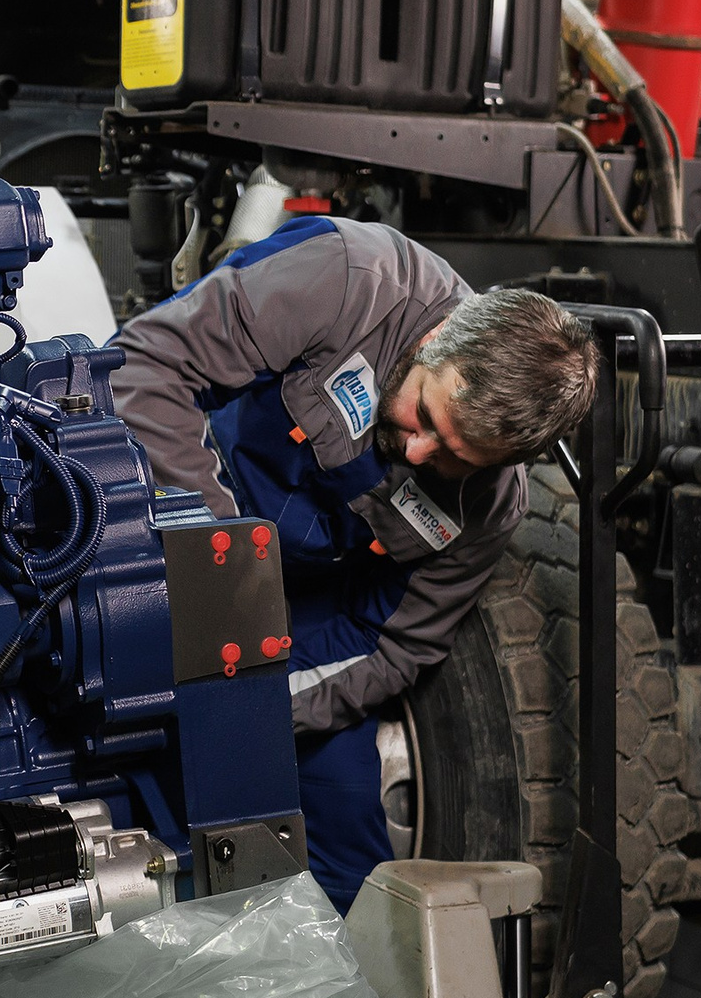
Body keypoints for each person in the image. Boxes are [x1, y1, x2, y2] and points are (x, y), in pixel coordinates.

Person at [110, 212, 597, 912]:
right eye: (427, 415)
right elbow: (147, 367)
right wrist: (221, 565)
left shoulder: (489, 507)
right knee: (134, 783)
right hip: (176, 517)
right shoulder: (346, 278)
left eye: (459, 457)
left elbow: (393, 644)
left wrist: (262, 700)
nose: (424, 454)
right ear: (438, 338)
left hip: (295, 619)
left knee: (351, 871)